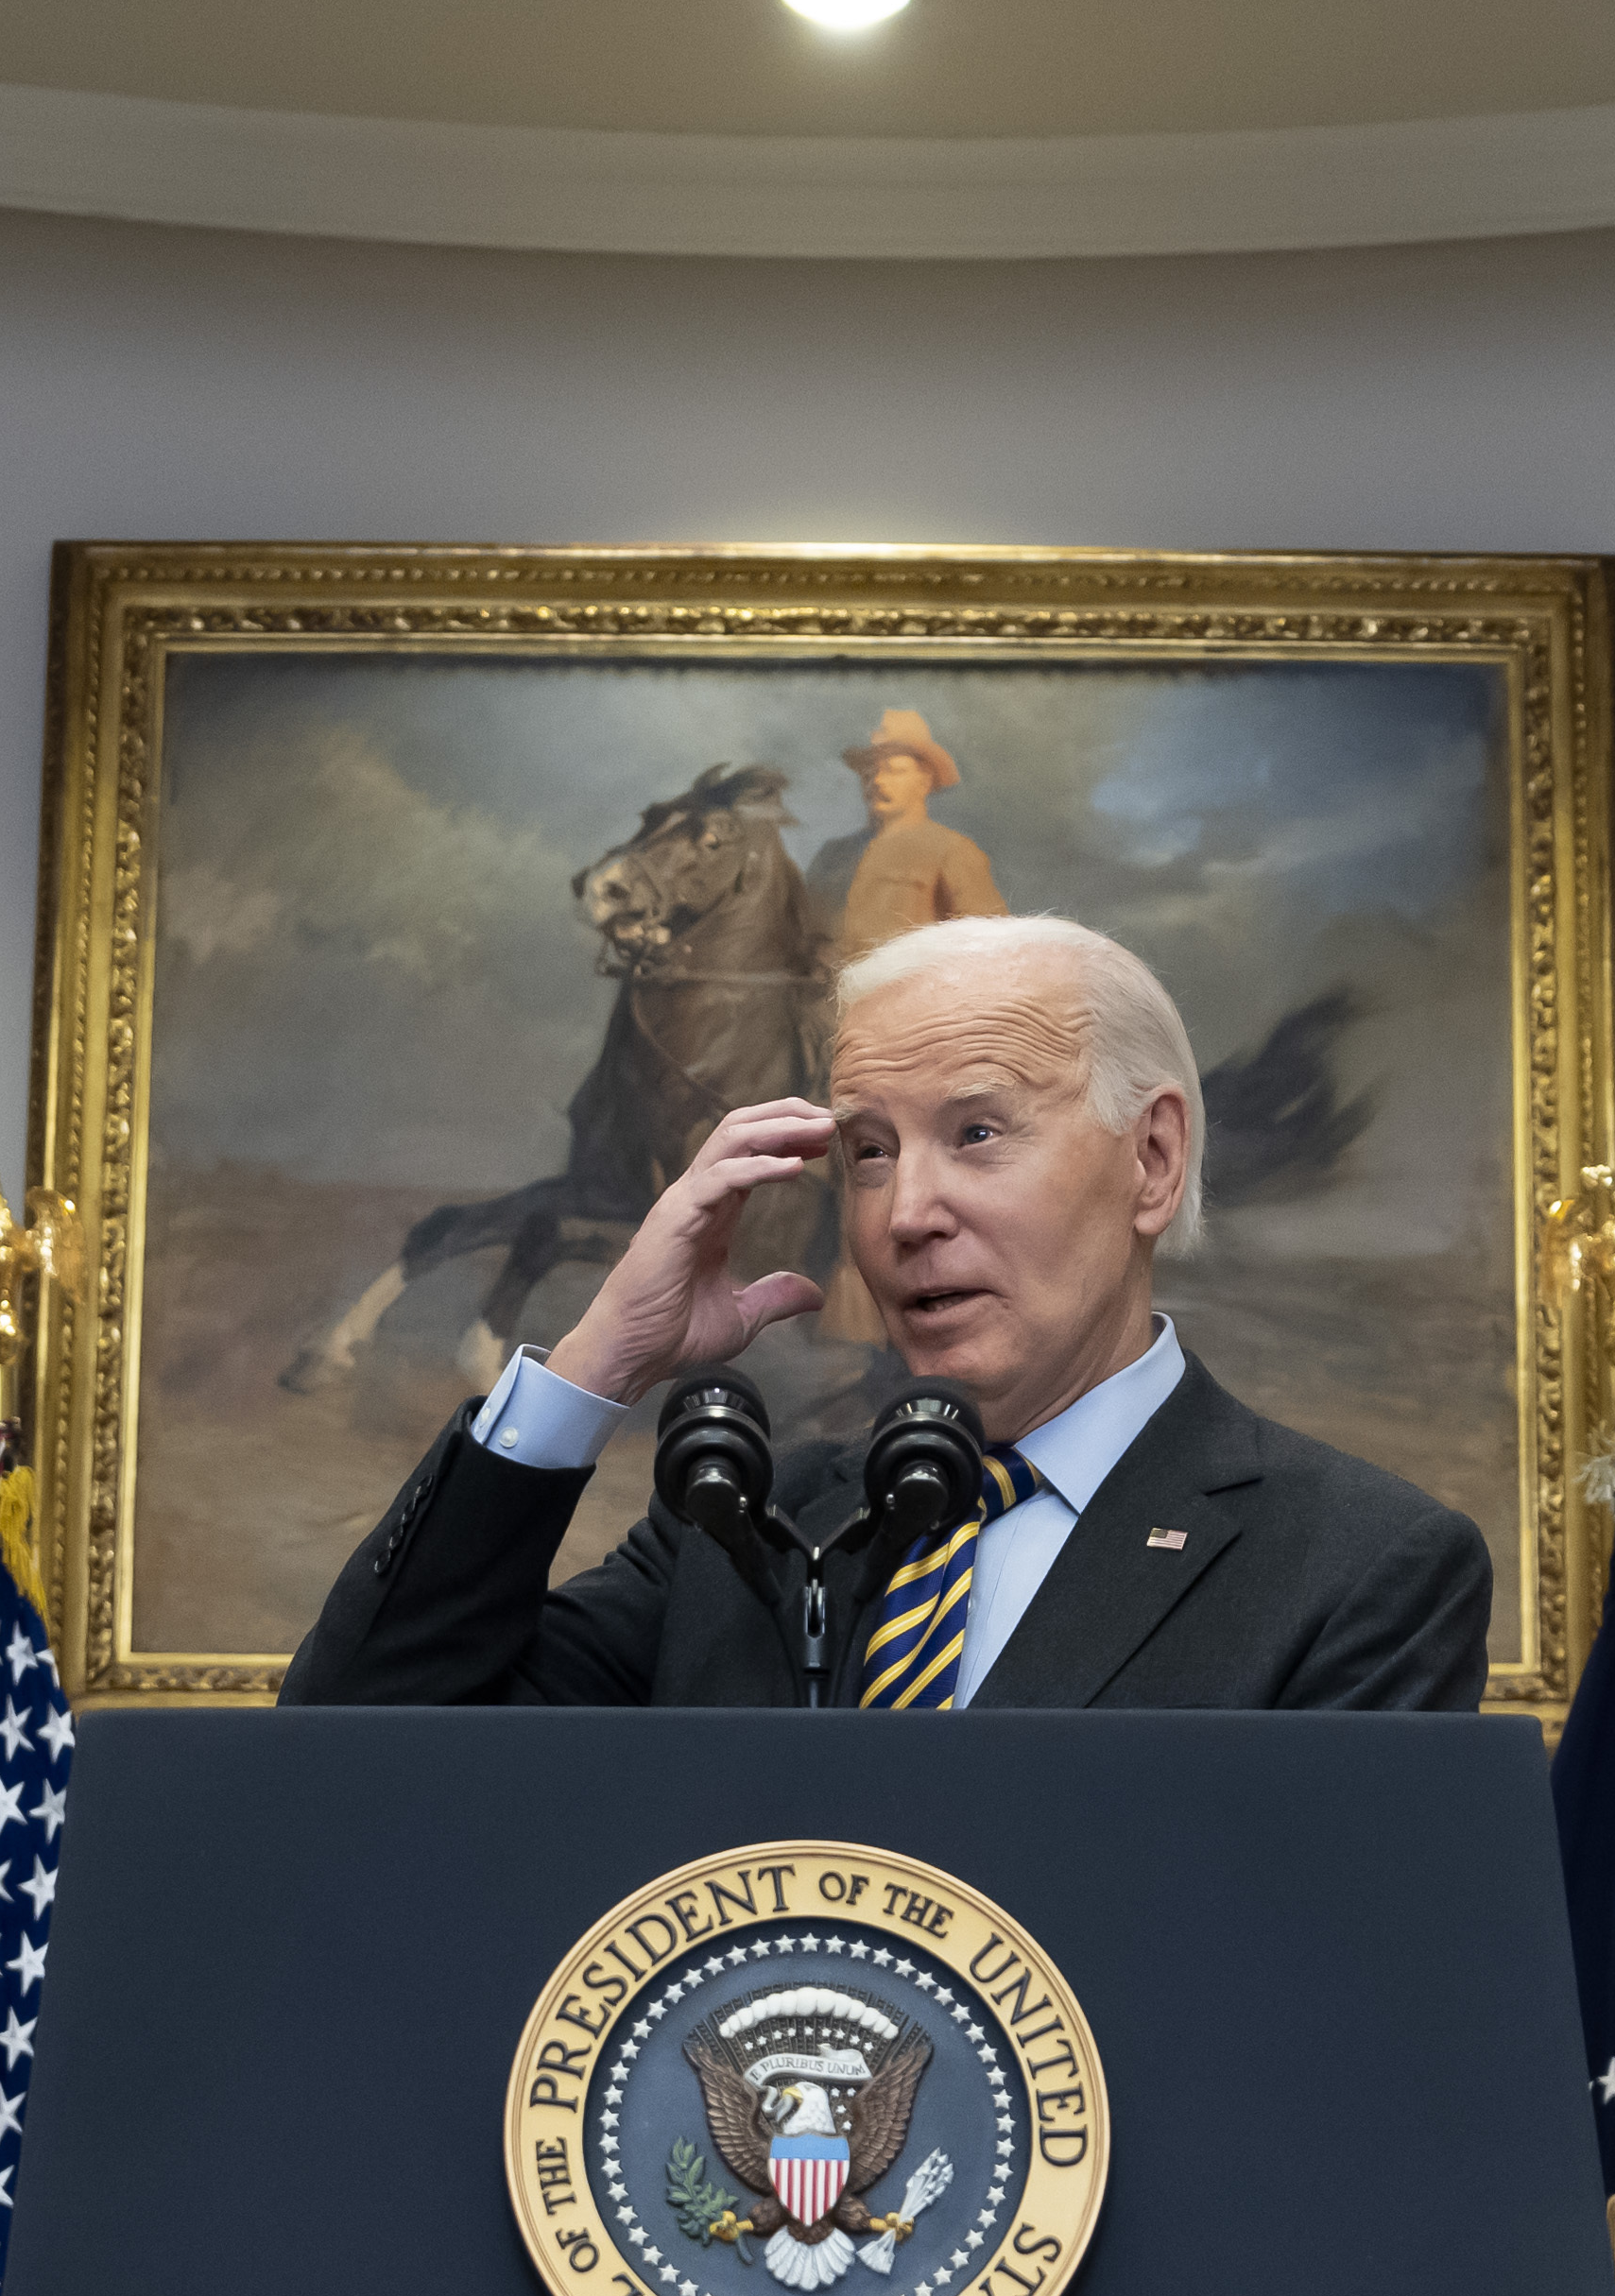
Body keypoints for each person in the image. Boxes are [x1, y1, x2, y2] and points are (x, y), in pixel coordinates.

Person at [284, 912, 1490, 1711]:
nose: (905, 1211)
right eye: (866, 1151)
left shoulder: (1359, 1567)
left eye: (976, 1133)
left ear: (1152, 1160)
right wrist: (598, 1362)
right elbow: (356, 1733)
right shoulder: (741, 1527)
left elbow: (1334, 2008)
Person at [825, 706, 1010, 954]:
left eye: (894, 771)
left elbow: (989, 945)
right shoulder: (835, 854)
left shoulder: (952, 850)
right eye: (870, 772)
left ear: (924, 781)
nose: (878, 781)